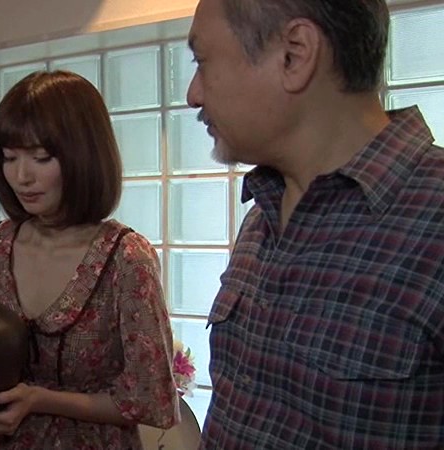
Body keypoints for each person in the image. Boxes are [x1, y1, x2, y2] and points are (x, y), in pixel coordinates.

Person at [188, 0, 444, 448]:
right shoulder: (262, 215)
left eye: (202, 61)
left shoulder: (434, 217)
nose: (193, 94)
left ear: (295, 54)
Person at [0, 70, 178, 449]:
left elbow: (151, 399)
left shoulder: (126, 258)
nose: (21, 176)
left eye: (41, 157)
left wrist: (40, 400)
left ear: (85, 156)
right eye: (9, 157)